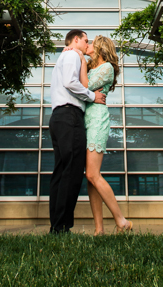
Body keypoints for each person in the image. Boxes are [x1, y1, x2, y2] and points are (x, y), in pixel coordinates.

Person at [48, 29, 106, 234]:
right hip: (70, 116)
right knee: (72, 171)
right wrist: (92, 96)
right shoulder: (71, 54)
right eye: (85, 40)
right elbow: (70, 83)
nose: (86, 44)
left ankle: (56, 225)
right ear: (75, 40)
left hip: (58, 117)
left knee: (61, 171)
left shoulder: (65, 56)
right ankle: (62, 226)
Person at [76, 35, 132, 235]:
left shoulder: (107, 67)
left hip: (97, 120)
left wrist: (82, 62)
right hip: (84, 119)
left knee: (92, 174)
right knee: (90, 177)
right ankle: (99, 229)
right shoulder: (90, 67)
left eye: (91, 44)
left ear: (100, 49)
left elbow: (83, 88)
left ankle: (122, 221)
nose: (87, 45)